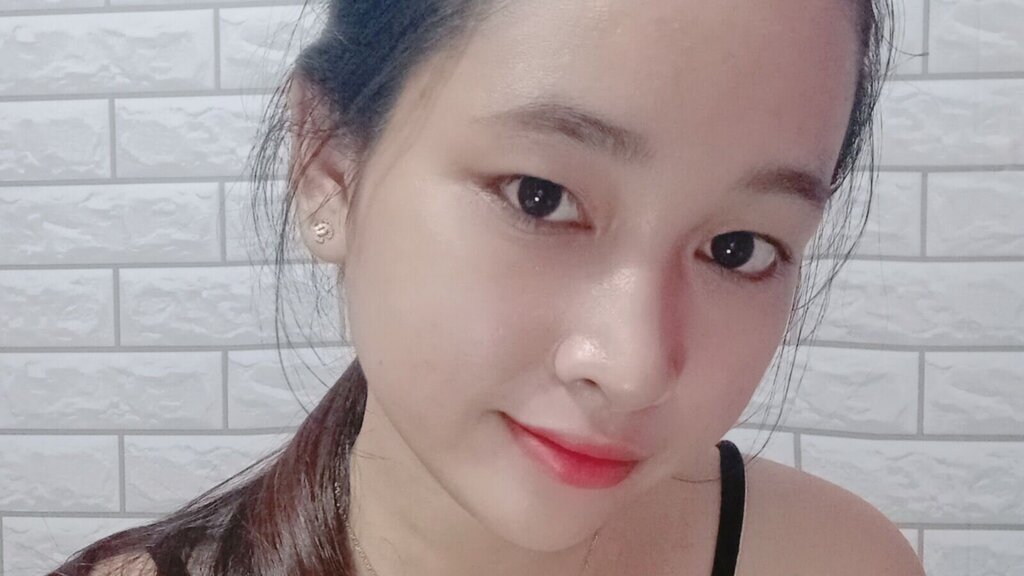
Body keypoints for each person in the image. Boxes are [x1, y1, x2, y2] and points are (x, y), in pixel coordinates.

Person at [51, 0, 926, 574]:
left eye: (738, 248)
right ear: (327, 168)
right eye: (539, 196)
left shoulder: (837, 560)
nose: (633, 368)